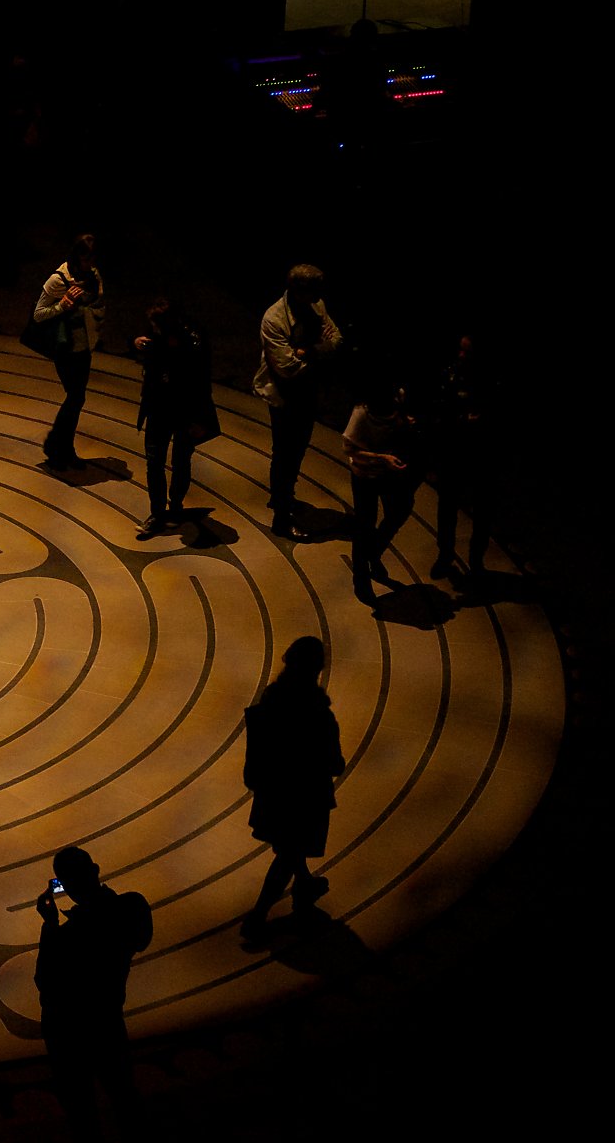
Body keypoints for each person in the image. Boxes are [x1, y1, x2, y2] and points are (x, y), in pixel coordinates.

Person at [34, 846, 154, 1136]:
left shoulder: (70, 934)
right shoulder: (132, 906)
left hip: (67, 1028)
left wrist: (50, 925)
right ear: (96, 870)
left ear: (64, 883)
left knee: (81, 1108)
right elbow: (140, 939)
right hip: (108, 1016)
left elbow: (45, 981)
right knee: (123, 1091)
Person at [240, 638, 345, 939]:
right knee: (289, 851)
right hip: (304, 795)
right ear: (318, 669)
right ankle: (258, 914)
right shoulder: (317, 714)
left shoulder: (271, 701)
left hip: (272, 790)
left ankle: (305, 883)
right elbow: (333, 763)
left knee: (288, 846)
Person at [253, 264, 342, 539]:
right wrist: (318, 356)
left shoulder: (317, 306)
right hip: (284, 396)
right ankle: (281, 517)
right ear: (297, 290)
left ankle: (283, 496)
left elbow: (337, 341)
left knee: (296, 451)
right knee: (285, 454)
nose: (318, 298)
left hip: (307, 393)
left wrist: (308, 351)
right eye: (313, 292)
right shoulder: (274, 319)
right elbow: (286, 368)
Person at [132, 295, 219, 537]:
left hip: (185, 410)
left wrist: (200, 419)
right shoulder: (156, 330)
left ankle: (176, 508)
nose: (154, 330)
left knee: (181, 461)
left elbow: (202, 382)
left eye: (158, 327)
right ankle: (158, 513)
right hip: (158, 407)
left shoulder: (194, 341)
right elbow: (143, 348)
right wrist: (137, 343)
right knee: (154, 462)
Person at [31, 233, 106, 470]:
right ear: (77, 257)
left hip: (85, 346)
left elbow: (100, 305)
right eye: (87, 260)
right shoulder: (58, 280)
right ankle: (57, 446)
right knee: (76, 397)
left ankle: (61, 449)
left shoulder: (93, 276)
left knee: (77, 398)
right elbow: (38, 314)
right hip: (65, 348)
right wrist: (63, 305)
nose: (91, 265)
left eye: (93, 260)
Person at [342, 382, 420, 605]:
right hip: (365, 475)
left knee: (401, 510)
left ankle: (372, 552)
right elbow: (350, 450)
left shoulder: (398, 400)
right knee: (364, 526)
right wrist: (381, 459)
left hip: (391, 473)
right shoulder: (361, 415)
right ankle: (361, 579)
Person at [428, 333, 496, 580]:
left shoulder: (492, 382)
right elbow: (438, 411)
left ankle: (476, 563)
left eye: (467, 352)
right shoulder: (450, 376)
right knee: (446, 509)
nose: (461, 355)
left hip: (482, 457)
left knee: (482, 514)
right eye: (460, 350)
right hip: (452, 453)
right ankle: (444, 556)